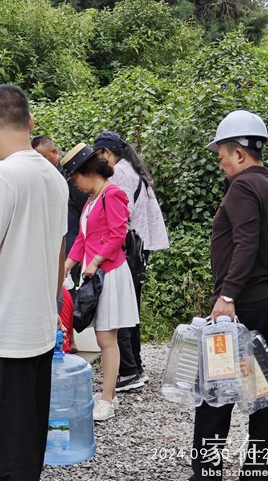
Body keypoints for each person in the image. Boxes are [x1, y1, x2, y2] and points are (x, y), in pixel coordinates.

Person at [0, 84, 68, 481]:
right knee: (28, 445)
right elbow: (59, 253)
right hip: (36, 332)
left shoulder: (1, 176)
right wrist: (53, 307)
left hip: (1, 338)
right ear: (30, 122)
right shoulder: (53, 177)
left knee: (6, 453)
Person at [190, 110, 268, 481]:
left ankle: (206, 473)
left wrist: (228, 296)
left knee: (215, 393)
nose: (220, 165)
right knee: (261, 394)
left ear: (239, 153)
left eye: (221, 156)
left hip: (243, 307)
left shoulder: (243, 188)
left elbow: (246, 243)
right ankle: (256, 472)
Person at [61, 142, 139, 422]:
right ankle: (108, 393)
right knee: (103, 337)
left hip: (109, 273)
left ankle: (107, 399)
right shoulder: (92, 200)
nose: (74, 185)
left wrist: (94, 262)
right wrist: (68, 265)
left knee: (106, 338)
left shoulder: (112, 194)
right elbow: (83, 238)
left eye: (74, 178)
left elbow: (118, 234)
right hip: (95, 274)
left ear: (88, 172)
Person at [92, 131, 169, 392]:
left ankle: (127, 371)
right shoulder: (135, 170)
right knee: (131, 308)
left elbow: (121, 215)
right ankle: (135, 367)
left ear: (107, 153)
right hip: (139, 248)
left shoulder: (120, 173)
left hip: (125, 249)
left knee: (120, 309)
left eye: (98, 156)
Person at [31, 135, 88, 353]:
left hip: (72, 240)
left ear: (54, 153)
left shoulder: (69, 175)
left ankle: (69, 337)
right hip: (60, 238)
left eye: (42, 156)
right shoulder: (45, 176)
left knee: (68, 287)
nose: (40, 161)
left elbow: (84, 211)